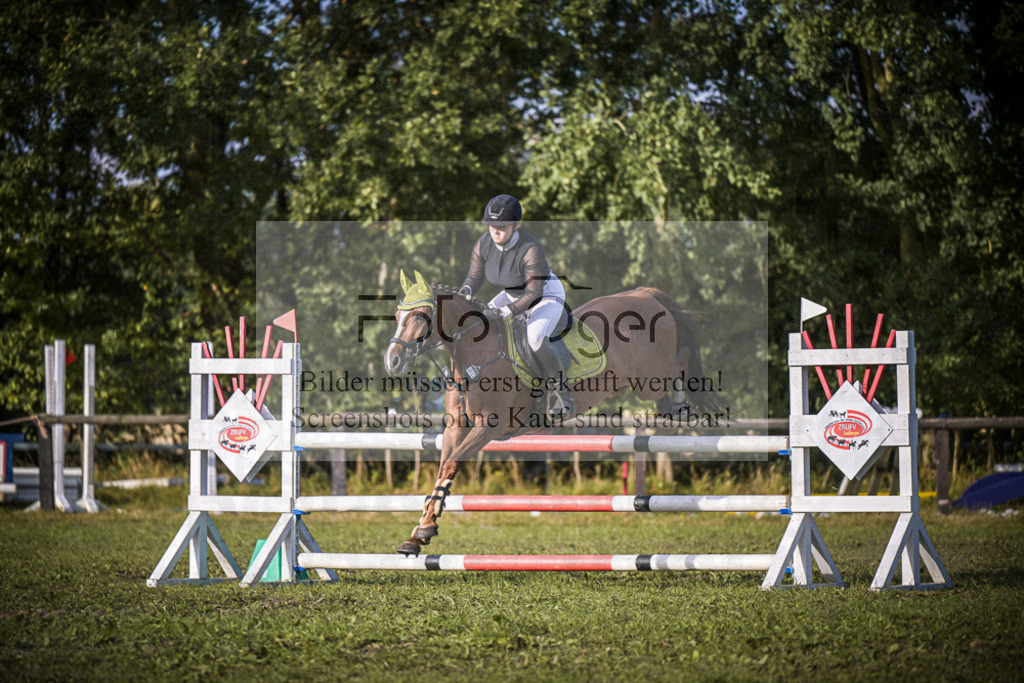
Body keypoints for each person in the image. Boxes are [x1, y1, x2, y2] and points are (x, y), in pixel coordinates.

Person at [458, 194, 575, 416]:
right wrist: (464, 292)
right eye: (492, 225)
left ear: (516, 225)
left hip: (545, 295)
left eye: (502, 225)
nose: (495, 230)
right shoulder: (483, 245)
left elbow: (533, 292)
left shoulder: (530, 247)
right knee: (477, 326)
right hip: (511, 294)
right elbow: (474, 278)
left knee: (534, 337)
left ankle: (563, 396)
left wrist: (505, 311)